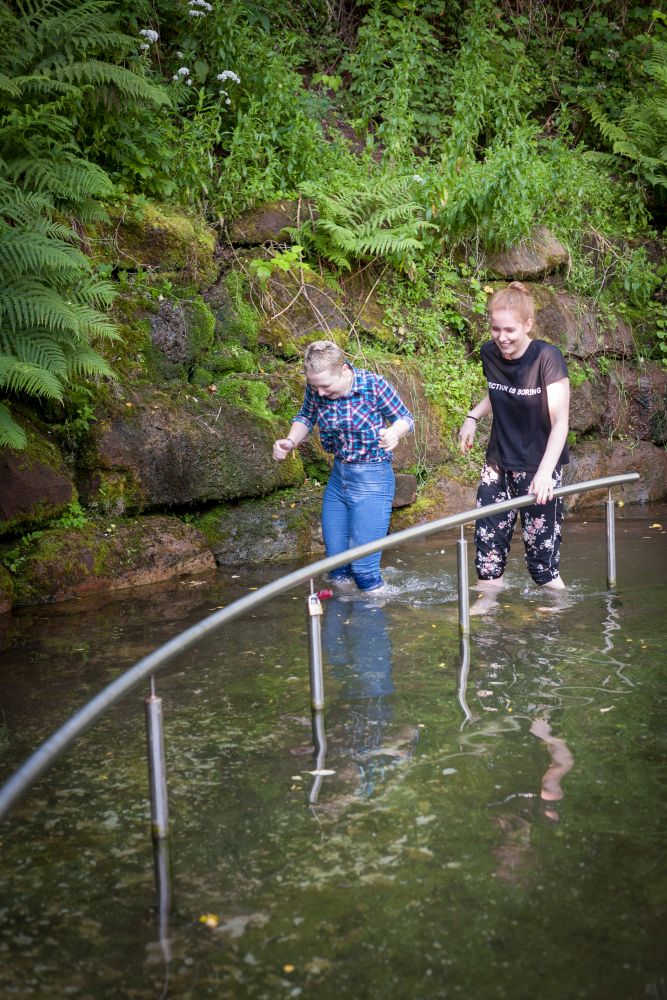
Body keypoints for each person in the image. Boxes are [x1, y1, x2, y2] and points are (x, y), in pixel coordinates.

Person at [272, 340, 413, 593]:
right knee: (337, 569)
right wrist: (290, 441)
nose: (320, 393)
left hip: (373, 479)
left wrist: (394, 433)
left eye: (326, 386)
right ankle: (344, 612)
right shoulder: (317, 388)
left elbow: (405, 418)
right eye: (315, 387)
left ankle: (377, 612)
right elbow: (306, 416)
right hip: (339, 479)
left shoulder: (373, 385)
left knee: (364, 572)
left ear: (344, 370)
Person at [459, 281, 570, 591]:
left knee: (543, 565)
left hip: (539, 466)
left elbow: (560, 421)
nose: (502, 337)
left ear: (528, 324)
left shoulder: (547, 358)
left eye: (510, 330)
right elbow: (499, 391)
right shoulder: (489, 353)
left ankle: (557, 614)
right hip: (498, 463)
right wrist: (472, 416)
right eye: (495, 329)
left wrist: (546, 472)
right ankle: (488, 613)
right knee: (487, 557)